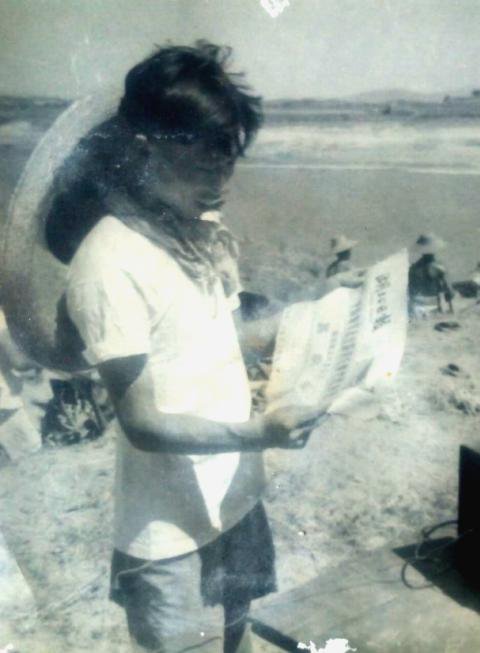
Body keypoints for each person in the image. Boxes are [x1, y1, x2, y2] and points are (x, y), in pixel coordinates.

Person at [46, 42, 328, 653]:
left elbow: (218, 341)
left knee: (239, 641)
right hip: (171, 534)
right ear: (144, 150)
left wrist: (315, 329)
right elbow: (143, 423)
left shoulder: (200, 234)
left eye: (228, 162)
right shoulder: (109, 261)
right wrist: (261, 433)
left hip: (236, 501)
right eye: (204, 166)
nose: (221, 183)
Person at [408, 234, 454, 317]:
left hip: (416, 305)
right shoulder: (438, 267)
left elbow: (410, 289)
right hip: (433, 305)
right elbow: (449, 291)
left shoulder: (413, 268)